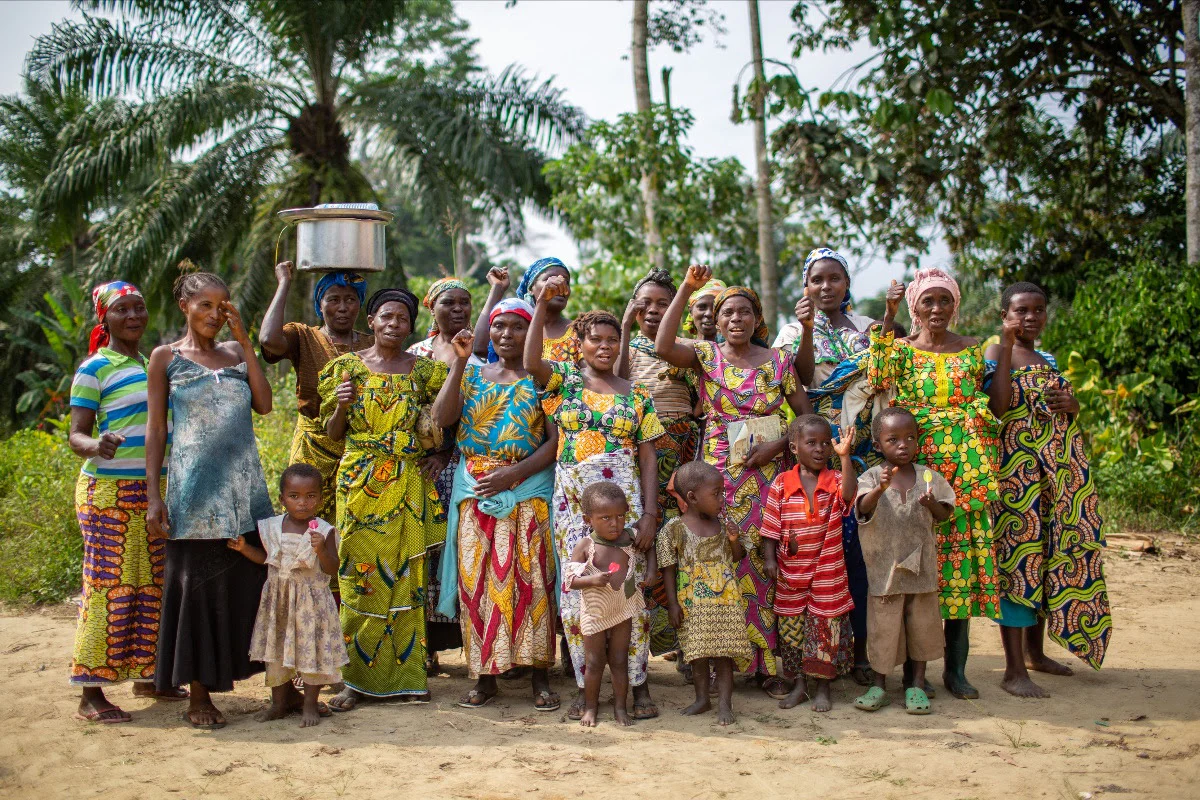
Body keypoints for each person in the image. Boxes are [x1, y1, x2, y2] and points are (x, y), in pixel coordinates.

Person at [655, 264, 812, 698]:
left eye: (744, 312)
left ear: (756, 319)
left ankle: (764, 665)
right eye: (727, 314)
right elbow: (662, 345)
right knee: (714, 563)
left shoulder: (780, 362)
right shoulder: (706, 357)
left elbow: (805, 417)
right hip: (716, 479)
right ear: (718, 321)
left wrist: (779, 447)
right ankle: (710, 658)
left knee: (763, 565)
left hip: (766, 478)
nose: (735, 320)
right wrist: (688, 288)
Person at [525, 275, 663, 721]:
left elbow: (648, 459)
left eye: (612, 340)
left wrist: (649, 516)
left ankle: (637, 685)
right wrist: (541, 305)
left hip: (624, 508)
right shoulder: (563, 380)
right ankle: (587, 687)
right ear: (580, 343)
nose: (605, 347)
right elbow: (530, 360)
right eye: (596, 339)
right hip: (571, 505)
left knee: (628, 591)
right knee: (578, 594)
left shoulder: (638, 396)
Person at [145, 269, 275, 729]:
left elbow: (264, 404)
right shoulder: (166, 359)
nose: (215, 315)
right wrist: (153, 497)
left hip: (245, 495)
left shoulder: (236, 353)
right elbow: (157, 429)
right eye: (206, 305)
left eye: (223, 307)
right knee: (196, 593)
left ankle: (264, 683)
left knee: (249, 588)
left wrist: (244, 339)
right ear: (185, 306)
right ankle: (199, 696)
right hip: (193, 497)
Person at [868, 268, 1000, 700]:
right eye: (928, 301)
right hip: (917, 462)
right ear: (915, 308)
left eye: (945, 300)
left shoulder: (971, 351)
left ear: (955, 304)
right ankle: (910, 674)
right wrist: (888, 314)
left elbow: (990, 401)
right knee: (913, 563)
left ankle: (956, 671)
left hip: (965, 470)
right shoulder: (901, 350)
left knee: (959, 569)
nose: (937, 309)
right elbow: (877, 375)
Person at [319, 288, 449, 710]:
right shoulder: (344, 369)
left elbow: (450, 418)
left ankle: (408, 678)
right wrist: (339, 407)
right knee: (360, 578)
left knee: (408, 580)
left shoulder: (426, 371)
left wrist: (442, 455)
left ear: (411, 326)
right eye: (386, 317)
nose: (394, 324)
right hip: (359, 483)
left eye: (403, 319)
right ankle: (354, 682)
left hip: (408, 479)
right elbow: (333, 434)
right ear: (371, 321)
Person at [429, 300, 561, 711]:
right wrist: (457, 363)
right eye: (499, 327)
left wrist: (513, 474)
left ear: (529, 333)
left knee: (532, 581)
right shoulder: (472, 374)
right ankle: (485, 676)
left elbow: (555, 442)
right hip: (477, 493)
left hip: (527, 491)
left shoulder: (542, 379)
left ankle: (539, 675)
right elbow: (441, 417)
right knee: (479, 583)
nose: (506, 335)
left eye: (516, 328)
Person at [985, 282, 1112, 698]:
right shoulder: (994, 352)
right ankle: (1012, 670)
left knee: (1045, 559)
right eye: (1021, 310)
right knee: (1018, 565)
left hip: (1053, 479)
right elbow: (998, 407)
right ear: (1004, 316)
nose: (1030, 317)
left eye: (1038, 310)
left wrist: (1073, 406)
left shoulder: (1048, 358)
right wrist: (1004, 350)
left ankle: (1036, 655)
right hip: (1014, 480)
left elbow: (1060, 416)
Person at [67, 281, 185, 723]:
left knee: (153, 584)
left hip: (155, 489)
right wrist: (96, 444)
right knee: (107, 585)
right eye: (122, 310)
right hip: (109, 493)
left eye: (139, 307)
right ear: (106, 318)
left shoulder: (157, 361)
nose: (133, 316)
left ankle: (150, 675)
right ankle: (91, 693)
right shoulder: (95, 368)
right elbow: (76, 434)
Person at [775, 247, 889, 687]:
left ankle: (862, 653)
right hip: (818, 450)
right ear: (805, 286)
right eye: (816, 279)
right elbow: (799, 377)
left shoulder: (869, 329)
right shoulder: (791, 331)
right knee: (819, 555)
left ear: (846, 284)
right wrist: (806, 330)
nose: (826, 287)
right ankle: (816, 657)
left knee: (862, 555)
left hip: (866, 451)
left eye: (834, 278)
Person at [407, 273, 507, 670]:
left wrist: (448, 454)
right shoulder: (415, 353)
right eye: (449, 302)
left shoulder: (482, 359)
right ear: (432, 308)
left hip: (458, 468)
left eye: (465, 303)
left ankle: (469, 639)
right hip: (420, 467)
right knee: (425, 552)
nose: (459, 309)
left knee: (458, 553)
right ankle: (425, 646)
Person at [616, 269, 699, 661]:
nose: (652, 311)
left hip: (683, 452)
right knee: (646, 541)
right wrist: (622, 329)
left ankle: (686, 643)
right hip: (643, 453)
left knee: (681, 542)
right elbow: (614, 383)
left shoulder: (689, 349)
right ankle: (648, 638)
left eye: (662, 304)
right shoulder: (624, 349)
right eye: (644, 303)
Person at [851, 407, 955, 715]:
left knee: (921, 627)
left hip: (921, 571)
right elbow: (863, 510)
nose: (903, 445)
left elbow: (945, 514)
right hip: (885, 572)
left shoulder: (928, 478)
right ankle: (879, 684)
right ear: (878, 443)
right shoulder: (871, 477)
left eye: (910, 438)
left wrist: (932, 503)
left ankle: (917, 685)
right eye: (893, 439)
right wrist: (880, 489)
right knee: (883, 629)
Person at [259, 263, 372, 524]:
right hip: (312, 448)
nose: (342, 308)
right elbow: (268, 340)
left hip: (356, 448)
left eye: (350, 300)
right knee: (306, 522)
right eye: (333, 300)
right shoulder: (303, 336)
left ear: (360, 304)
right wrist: (284, 282)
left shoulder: (370, 344)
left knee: (351, 526)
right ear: (319, 304)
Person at [236, 463, 346, 727]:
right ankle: (279, 703)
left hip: (312, 604)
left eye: (310, 496)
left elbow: (333, 568)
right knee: (276, 653)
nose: (303, 503)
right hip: (279, 601)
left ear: (320, 498)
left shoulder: (324, 530)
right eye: (294, 496)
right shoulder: (272, 527)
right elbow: (268, 560)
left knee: (311, 654)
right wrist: (244, 549)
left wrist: (321, 551)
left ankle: (309, 704)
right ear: (282, 499)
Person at [760, 415, 857, 712]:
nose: (819, 449)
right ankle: (799, 685)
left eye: (825, 443)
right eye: (811, 443)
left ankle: (822, 689)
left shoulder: (837, 479)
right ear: (793, 447)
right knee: (793, 632)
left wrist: (845, 457)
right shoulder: (781, 483)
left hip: (828, 571)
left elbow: (850, 496)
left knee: (825, 632)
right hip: (791, 574)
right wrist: (769, 559)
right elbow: (770, 527)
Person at [658, 461, 752, 726]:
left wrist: (734, 542)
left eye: (723, 492)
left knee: (724, 656)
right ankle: (702, 699)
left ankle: (725, 704)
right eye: (716, 493)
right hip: (692, 605)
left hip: (725, 603)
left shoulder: (723, 525)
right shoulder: (674, 529)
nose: (722, 499)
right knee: (697, 655)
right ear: (692, 497)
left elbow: (736, 558)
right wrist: (672, 605)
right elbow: (668, 569)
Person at [561, 482, 647, 727]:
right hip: (595, 612)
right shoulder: (585, 546)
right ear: (589, 519)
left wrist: (650, 569)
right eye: (606, 518)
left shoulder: (629, 537)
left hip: (623, 608)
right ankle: (590, 708)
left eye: (620, 516)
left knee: (619, 660)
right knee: (595, 662)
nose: (614, 523)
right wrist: (593, 579)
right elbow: (571, 581)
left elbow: (647, 546)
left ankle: (620, 707)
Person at [516, 257, 579, 362]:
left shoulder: (579, 331)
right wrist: (497, 288)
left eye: (566, 282)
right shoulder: (516, 329)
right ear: (531, 289)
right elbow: (480, 349)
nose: (560, 285)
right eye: (550, 279)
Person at [681, 278, 726, 342]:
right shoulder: (683, 349)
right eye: (702, 307)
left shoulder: (737, 349)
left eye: (715, 307)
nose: (709, 313)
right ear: (691, 312)